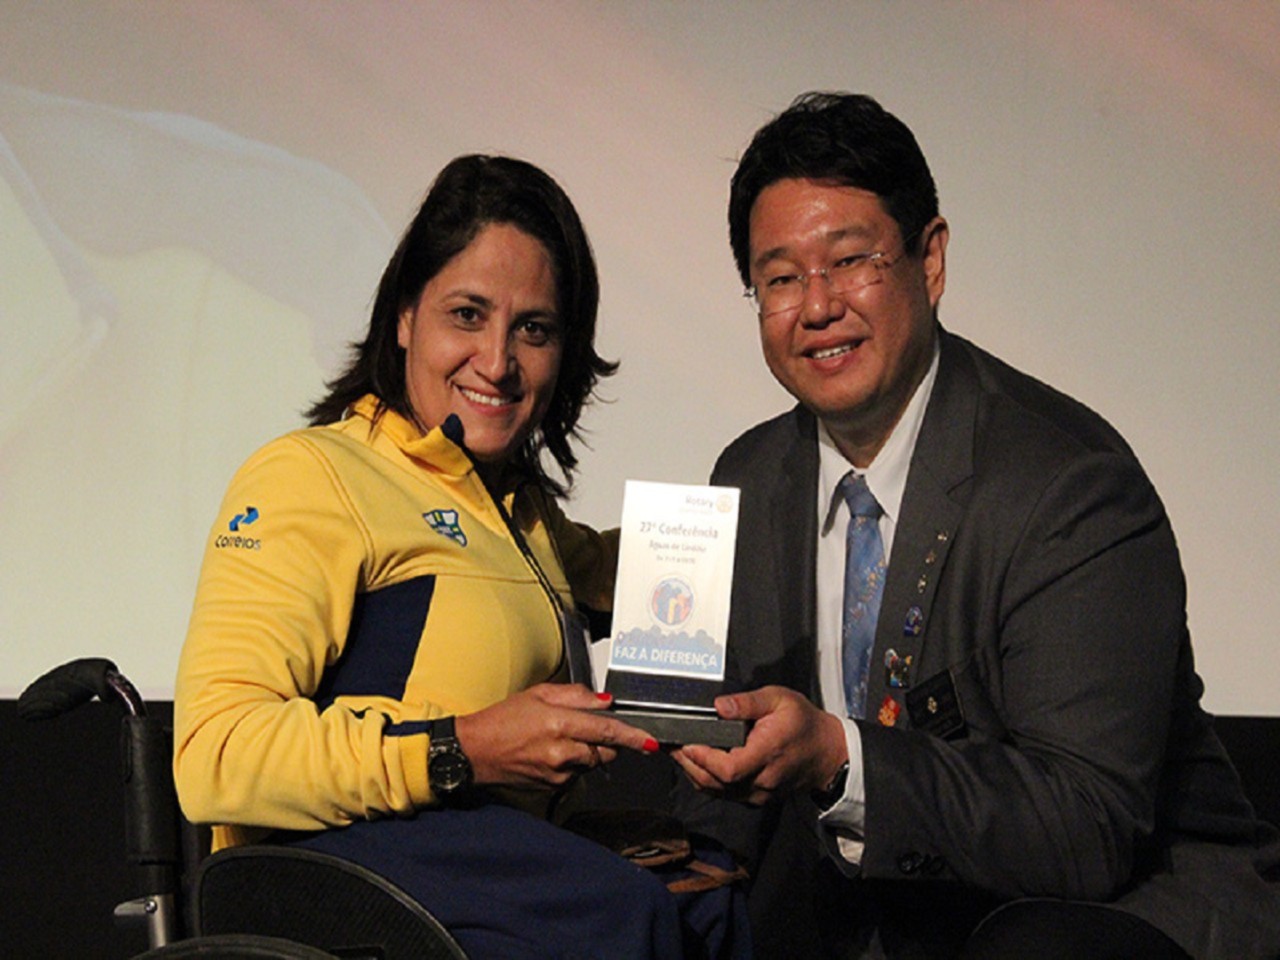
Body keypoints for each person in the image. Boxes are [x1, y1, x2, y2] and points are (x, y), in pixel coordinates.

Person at [670, 92, 1280, 959]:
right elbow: (722, 785)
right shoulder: (749, 477)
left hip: (1108, 916)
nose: (817, 306)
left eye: (849, 261)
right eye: (780, 279)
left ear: (930, 259)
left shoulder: (1068, 485)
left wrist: (840, 757)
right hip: (872, 917)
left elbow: (1087, 826)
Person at [174, 154, 747, 959]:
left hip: (482, 857)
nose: (498, 361)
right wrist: (463, 746)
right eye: (467, 315)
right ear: (406, 317)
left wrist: (785, 488)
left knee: (708, 897)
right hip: (335, 869)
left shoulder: (519, 513)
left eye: (533, 329)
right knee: (615, 910)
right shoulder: (314, 475)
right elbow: (216, 757)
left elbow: (639, 571)